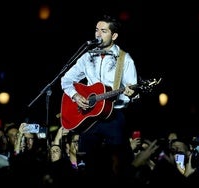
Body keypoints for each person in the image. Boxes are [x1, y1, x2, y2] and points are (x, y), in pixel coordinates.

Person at [60, 14, 138, 182]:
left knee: (117, 166)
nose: (98, 34)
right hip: (89, 117)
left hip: (114, 116)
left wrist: (129, 95)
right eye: (97, 30)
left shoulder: (126, 60)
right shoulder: (87, 56)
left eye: (103, 31)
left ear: (114, 36)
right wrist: (75, 95)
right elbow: (66, 79)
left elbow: (132, 93)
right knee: (86, 165)